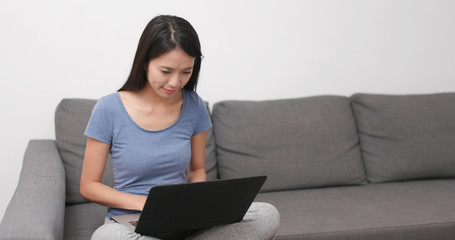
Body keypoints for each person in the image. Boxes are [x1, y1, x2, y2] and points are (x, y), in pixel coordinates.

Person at [80, 15, 280, 240]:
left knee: (266, 214)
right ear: (145, 62)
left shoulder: (194, 105)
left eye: (186, 72)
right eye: (166, 71)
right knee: (106, 238)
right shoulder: (109, 108)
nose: (175, 83)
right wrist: (145, 204)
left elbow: (197, 169)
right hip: (130, 223)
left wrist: (193, 207)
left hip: (183, 220)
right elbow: (89, 186)